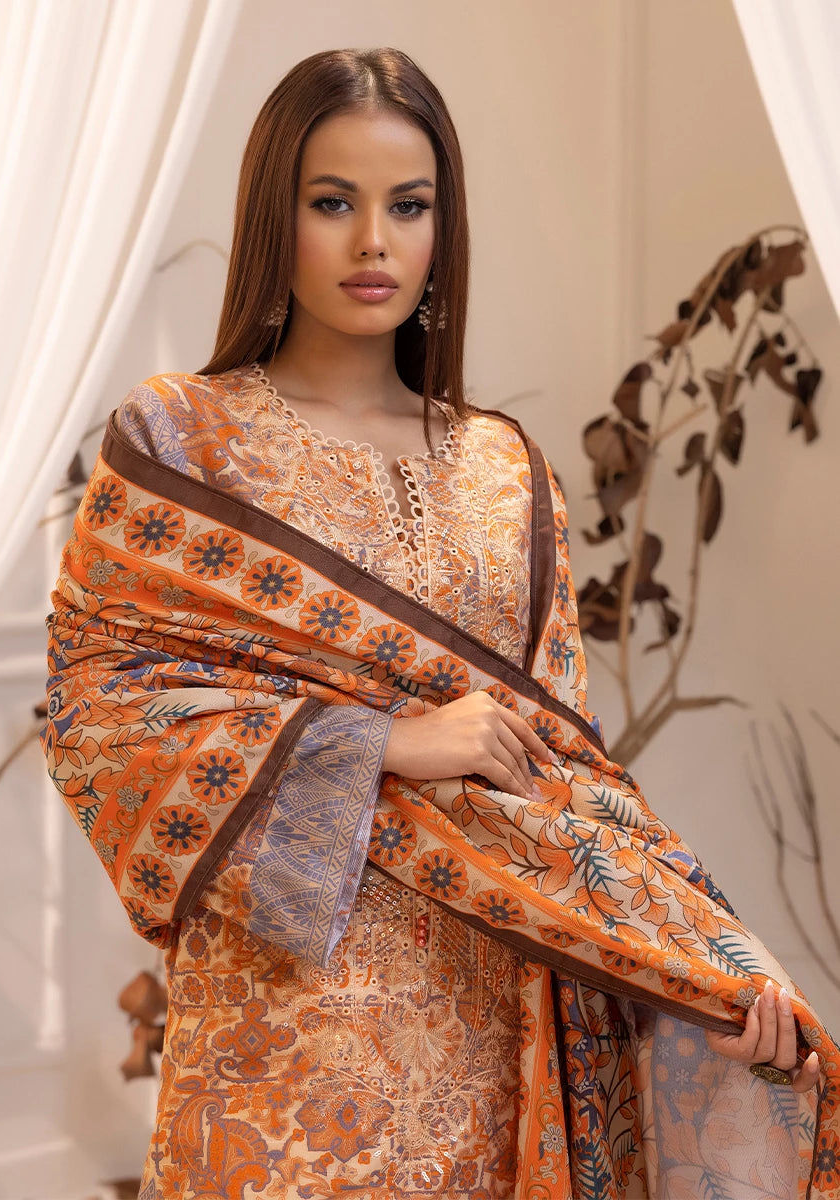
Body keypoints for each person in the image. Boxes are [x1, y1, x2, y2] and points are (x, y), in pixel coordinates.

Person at [45, 48, 837, 1200]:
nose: (375, 242)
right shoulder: (182, 440)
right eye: (334, 203)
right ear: (275, 216)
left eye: (408, 206)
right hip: (281, 1056)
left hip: (492, 1044)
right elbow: (95, 720)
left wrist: (705, 969)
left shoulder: (506, 470)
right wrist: (383, 742)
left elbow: (565, 778)